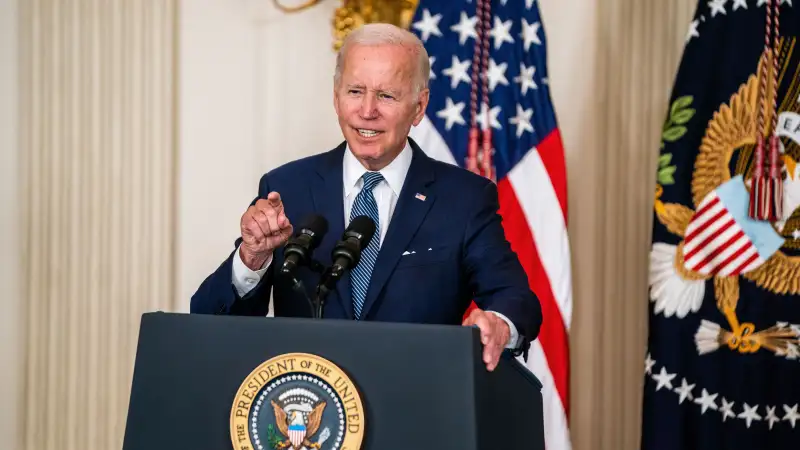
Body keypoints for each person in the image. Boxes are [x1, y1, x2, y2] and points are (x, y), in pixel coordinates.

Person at [190, 23, 542, 371]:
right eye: (355, 91)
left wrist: (499, 325)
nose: (367, 110)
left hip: (418, 410)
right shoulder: (288, 187)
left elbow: (516, 299)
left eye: (386, 95)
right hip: (306, 415)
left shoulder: (463, 198)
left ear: (419, 107)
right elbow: (209, 321)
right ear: (336, 97)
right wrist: (252, 258)